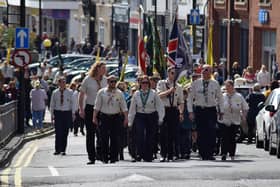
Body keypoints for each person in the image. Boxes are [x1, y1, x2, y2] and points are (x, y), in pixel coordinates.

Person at [187, 64, 224, 160]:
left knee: (211, 132)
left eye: (207, 70)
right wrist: (190, 112)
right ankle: (202, 153)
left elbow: (220, 98)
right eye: (203, 70)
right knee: (201, 132)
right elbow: (190, 98)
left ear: (211, 72)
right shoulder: (195, 83)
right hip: (200, 109)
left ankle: (210, 153)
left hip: (211, 110)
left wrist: (221, 111)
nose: (204, 72)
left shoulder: (215, 83)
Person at [93, 75, 128, 164]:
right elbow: (97, 106)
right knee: (104, 138)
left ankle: (113, 157)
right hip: (104, 116)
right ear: (107, 82)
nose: (113, 83)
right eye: (111, 81)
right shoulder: (101, 92)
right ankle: (105, 157)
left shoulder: (119, 93)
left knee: (115, 138)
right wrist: (94, 117)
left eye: (114, 82)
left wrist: (126, 118)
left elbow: (124, 107)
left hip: (115, 117)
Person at [128, 75, 164, 162]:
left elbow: (160, 106)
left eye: (147, 83)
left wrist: (160, 118)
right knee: (140, 135)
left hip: (151, 115)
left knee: (150, 136)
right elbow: (132, 108)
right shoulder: (136, 94)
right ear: (140, 84)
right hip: (140, 115)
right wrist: (130, 122)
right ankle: (139, 154)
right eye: (143, 83)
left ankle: (149, 155)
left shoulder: (153, 93)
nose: (145, 85)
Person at [78, 62, 107, 165]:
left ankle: (101, 154)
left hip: (102, 109)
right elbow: (81, 95)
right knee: (90, 133)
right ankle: (91, 157)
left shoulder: (105, 80)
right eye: (103, 68)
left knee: (102, 133)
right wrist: (81, 109)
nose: (105, 70)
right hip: (90, 108)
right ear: (97, 69)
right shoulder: (88, 80)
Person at [157, 66, 184, 162]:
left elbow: (181, 102)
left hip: (173, 110)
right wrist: (170, 91)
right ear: (168, 73)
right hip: (164, 110)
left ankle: (171, 155)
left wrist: (181, 113)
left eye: (175, 73)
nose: (174, 75)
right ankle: (163, 154)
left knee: (173, 134)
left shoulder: (179, 86)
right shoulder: (161, 83)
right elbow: (159, 95)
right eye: (172, 73)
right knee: (163, 133)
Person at [218, 80, 248, 161]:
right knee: (224, 138)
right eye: (226, 86)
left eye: (228, 86)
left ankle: (232, 154)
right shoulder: (222, 96)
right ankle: (224, 153)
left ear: (232, 86)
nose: (227, 88)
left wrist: (244, 117)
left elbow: (245, 107)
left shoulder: (239, 96)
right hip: (224, 119)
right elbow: (218, 106)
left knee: (232, 138)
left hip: (235, 120)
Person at [50, 77, 75, 156]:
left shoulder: (70, 92)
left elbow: (73, 103)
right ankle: (57, 149)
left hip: (66, 113)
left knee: (65, 132)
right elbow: (52, 104)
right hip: (58, 113)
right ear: (59, 84)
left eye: (64, 82)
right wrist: (51, 114)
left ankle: (63, 149)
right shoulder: (55, 92)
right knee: (58, 132)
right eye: (61, 82)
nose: (63, 84)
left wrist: (73, 113)